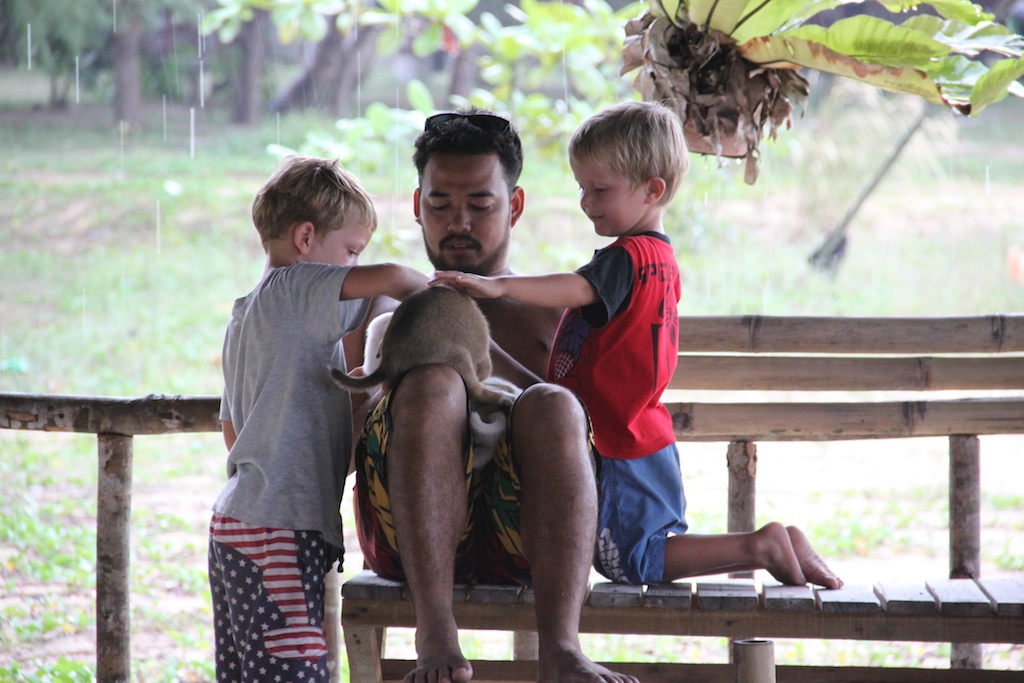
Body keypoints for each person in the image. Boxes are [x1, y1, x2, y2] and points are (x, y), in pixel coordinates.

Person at [433, 101, 843, 591]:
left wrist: (500, 288)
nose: (587, 203)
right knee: (638, 553)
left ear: (653, 190)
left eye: (600, 190)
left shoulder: (628, 258)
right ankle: (776, 544)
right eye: (583, 189)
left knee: (632, 560)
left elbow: (575, 288)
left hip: (620, 439)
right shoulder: (659, 259)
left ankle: (759, 546)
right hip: (637, 433)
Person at [349, 111, 638, 683]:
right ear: (415, 205)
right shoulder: (379, 307)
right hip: (405, 538)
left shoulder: (556, 313)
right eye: (440, 204)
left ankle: (561, 648)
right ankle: (434, 630)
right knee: (433, 383)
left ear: (516, 205)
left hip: (530, 542)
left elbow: (595, 438)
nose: (459, 222)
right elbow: (354, 447)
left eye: (481, 204)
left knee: (555, 403)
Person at [210, 155, 429, 683]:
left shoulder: (247, 315)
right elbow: (396, 278)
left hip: (239, 522)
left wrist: (342, 422)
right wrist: (452, 301)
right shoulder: (297, 287)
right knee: (296, 670)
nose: (355, 265)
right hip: (279, 528)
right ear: (305, 238)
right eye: (351, 251)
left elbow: (233, 431)